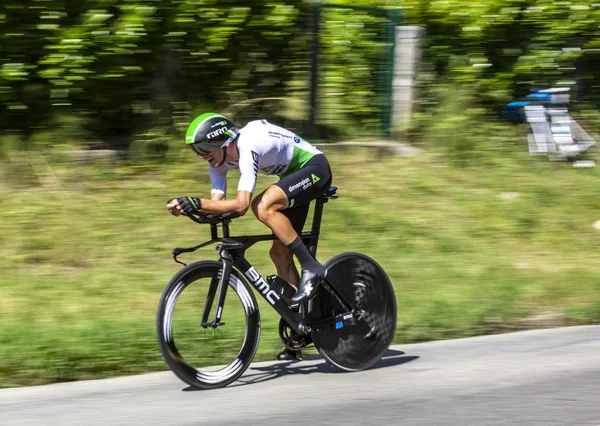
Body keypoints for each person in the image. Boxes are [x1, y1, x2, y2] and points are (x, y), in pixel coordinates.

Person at [166, 112, 332, 361]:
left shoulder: (248, 144)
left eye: (204, 148)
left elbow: (241, 205)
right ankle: (302, 325)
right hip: (291, 178)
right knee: (278, 252)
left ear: (224, 141)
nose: (201, 155)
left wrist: (195, 201)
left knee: (261, 206)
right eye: (196, 150)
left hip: (314, 168)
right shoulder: (218, 162)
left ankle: (312, 267)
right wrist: (191, 207)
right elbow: (218, 204)